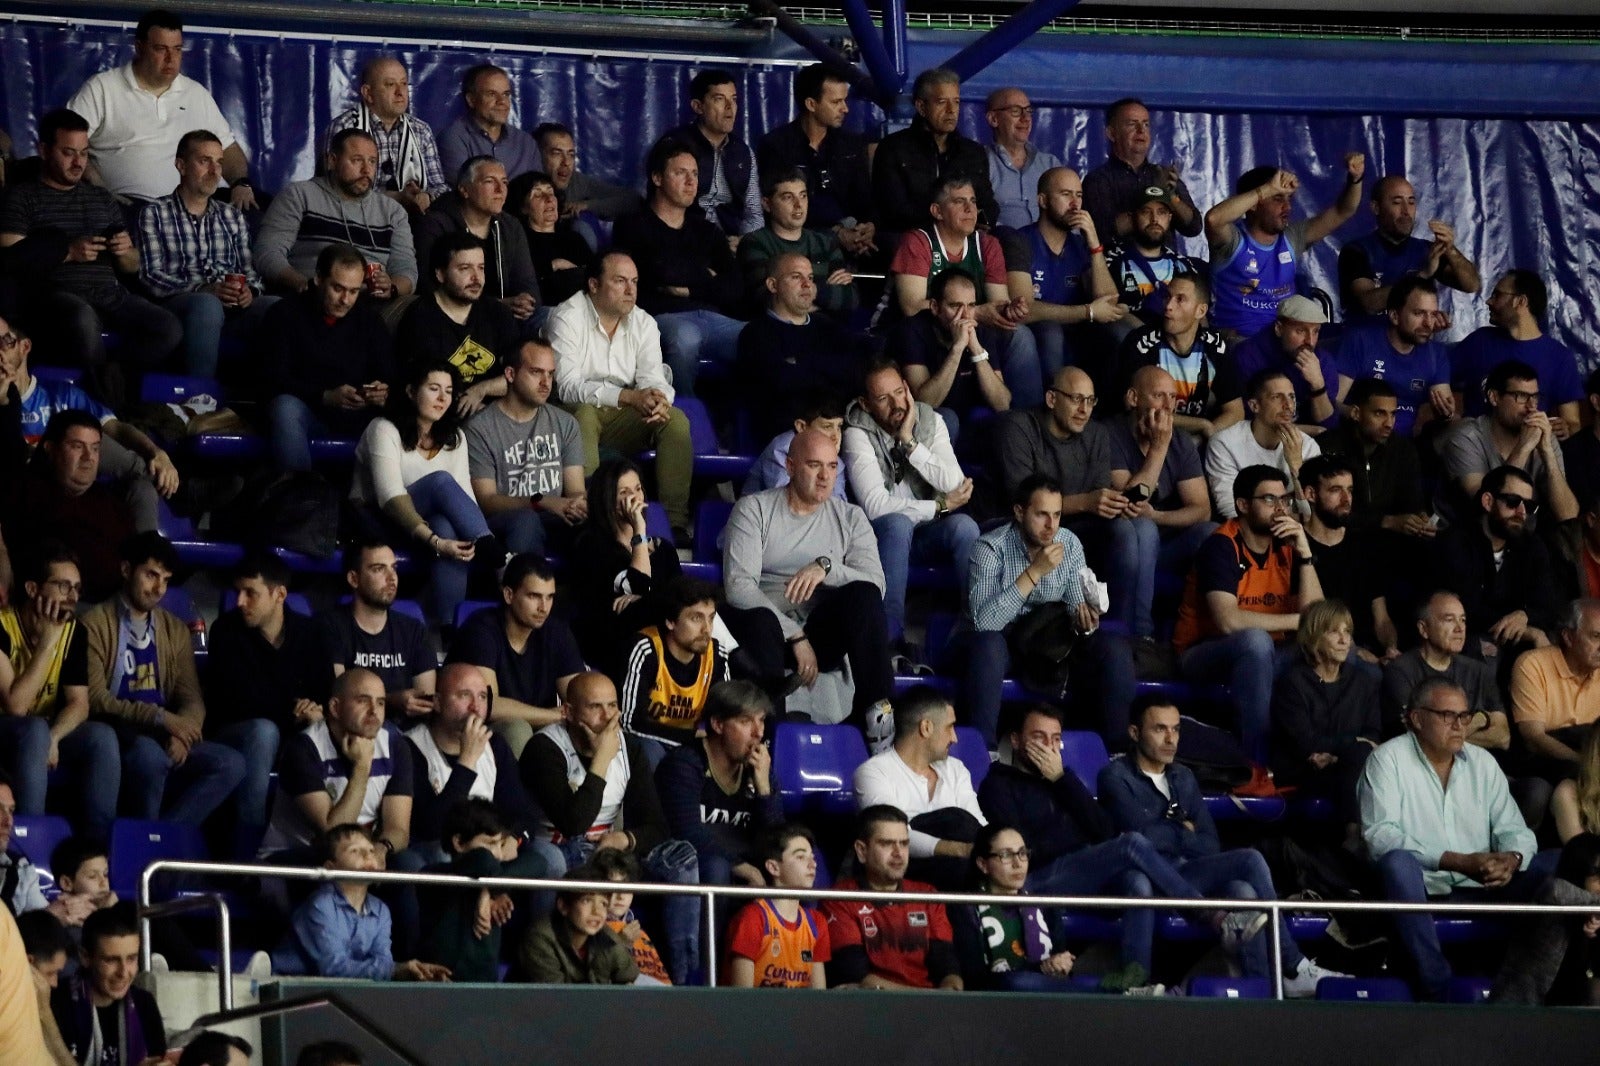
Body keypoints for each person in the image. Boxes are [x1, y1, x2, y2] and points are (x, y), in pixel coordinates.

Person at [1100, 696, 1346, 996]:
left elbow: (1209, 845)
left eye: (1176, 730)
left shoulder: (1183, 776)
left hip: (1188, 872)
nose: (1170, 739)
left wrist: (1165, 828)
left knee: (1244, 891)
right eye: (1159, 729)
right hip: (1145, 876)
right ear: (1135, 733)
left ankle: (1263, 991)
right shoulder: (1115, 776)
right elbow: (1140, 838)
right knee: (1250, 861)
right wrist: (1181, 827)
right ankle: (1292, 965)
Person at [976, 705, 1206, 990]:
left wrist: (1062, 781)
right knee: (1131, 844)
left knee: (1137, 882)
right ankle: (1203, 910)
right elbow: (1022, 851)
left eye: (1055, 738)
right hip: (1036, 880)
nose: (1049, 747)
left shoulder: (1063, 779)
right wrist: (1074, 844)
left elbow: (1104, 830)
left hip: (1080, 873)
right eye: (1039, 737)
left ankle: (1136, 982)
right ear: (1015, 740)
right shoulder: (997, 785)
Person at [1359, 677, 1553, 1001]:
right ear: (1417, 718)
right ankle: (1438, 985)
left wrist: (1511, 858)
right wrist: (1456, 860)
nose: (1460, 725)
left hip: (1487, 886)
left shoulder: (1483, 763)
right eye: (1448, 716)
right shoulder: (1386, 761)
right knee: (1396, 863)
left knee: (1559, 861)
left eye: (1465, 716)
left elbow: (1514, 831)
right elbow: (1380, 836)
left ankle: (1535, 986)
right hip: (1423, 889)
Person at [520, 672, 701, 983]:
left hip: (605, 851)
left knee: (682, 859)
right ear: (568, 712)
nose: (607, 717)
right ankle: (553, 966)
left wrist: (624, 839)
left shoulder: (629, 748)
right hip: (558, 849)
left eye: (612, 706)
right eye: (595, 707)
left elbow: (656, 826)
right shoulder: (544, 749)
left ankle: (684, 979)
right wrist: (602, 759)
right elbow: (573, 822)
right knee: (554, 859)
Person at [722, 429, 894, 748]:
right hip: (769, 631)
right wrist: (793, 634)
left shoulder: (851, 517)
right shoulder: (753, 509)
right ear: (789, 467)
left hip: (822, 632)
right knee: (758, 619)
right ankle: (772, 729)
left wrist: (826, 567)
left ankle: (876, 719)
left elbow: (876, 584)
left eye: (832, 466)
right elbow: (738, 587)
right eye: (814, 465)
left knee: (864, 596)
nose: (825, 476)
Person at [952, 474, 1135, 747]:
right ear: (1019, 511)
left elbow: (1076, 608)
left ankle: (1117, 750)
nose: (1051, 526)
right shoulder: (989, 547)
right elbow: (984, 623)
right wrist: (1034, 572)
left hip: (1047, 641)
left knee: (1114, 648)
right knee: (988, 646)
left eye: (1057, 515)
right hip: (1000, 642)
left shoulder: (1068, 543)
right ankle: (983, 749)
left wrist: (1085, 621)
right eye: (1041, 515)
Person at [0, 108, 182, 376]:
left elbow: (132, 266)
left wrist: (124, 252)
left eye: (84, 153)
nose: (78, 163)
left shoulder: (101, 198)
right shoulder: (23, 198)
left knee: (168, 328)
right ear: (44, 150)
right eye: (68, 153)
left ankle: (112, 379)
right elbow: (10, 262)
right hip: (56, 296)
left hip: (111, 294)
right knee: (82, 318)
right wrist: (68, 253)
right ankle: (103, 398)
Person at [83, 532, 247, 826]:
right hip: (119, 730)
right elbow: (96, 698)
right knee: (150, 757)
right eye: (151, 575)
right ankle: (146, 844)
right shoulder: (93, 624)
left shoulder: (174, 629)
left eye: (166, 580)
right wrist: (162, 718)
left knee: (231, 764)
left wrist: (184, 733)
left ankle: (162, 841)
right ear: (126, 570)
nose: (159, 588)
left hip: (163, 732)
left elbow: (192, 698)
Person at [1172, 465, 1325, 760]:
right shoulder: (1220, 545)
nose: (1280, 509)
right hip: (1203, 652)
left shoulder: (1287, 545)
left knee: (1340, 646)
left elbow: (1319, 620)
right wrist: (1298, 622)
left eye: (1284, 501)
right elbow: (1228, 621)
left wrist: (1305, 553)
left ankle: (1318, 753)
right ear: (1243, 505)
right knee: (1255, 642)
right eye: (1269, 500)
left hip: (1268, 651)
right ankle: (1255, 763)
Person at [842, 358, 980, 662]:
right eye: (883, 398)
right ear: (866, 404)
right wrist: (939, 505)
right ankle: (890, 634)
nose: (897, 403)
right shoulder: (857, 432)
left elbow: (955, 482)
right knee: (897, 524)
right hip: (881, 538)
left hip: (926, 533)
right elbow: (876, 507)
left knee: (965, 527)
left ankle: (975, 624)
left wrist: (910, 442)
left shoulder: (929, 420)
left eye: (900, 391)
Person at [547, 252, 693, 532]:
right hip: (569, 412)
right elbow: (567, 387)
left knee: (674, 420)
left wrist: (659, 399)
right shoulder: (566, 317)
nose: (630, 290)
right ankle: (590, 516)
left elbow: (654, 376)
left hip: (621, 412)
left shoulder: (643, 322)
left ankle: (673, 524)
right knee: (586, 414)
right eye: (620, 281)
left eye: (635, 282)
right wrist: (627, 397)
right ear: (593, 284)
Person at [0, 310, 178, 530]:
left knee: (141, 485)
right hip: (27, 494)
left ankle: (145, 558)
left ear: (24, 347)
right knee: (71, 444)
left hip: (76, 488)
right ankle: (186, 494)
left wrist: (157, 453)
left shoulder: (63, 395)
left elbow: (117, 430)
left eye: (4, 343)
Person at [349, 360, 491, 624]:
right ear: (411, 392)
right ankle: (495, 553)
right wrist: (435, 542)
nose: (442, 398)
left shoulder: (455, 437)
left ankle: (448, 632)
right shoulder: (383, 428)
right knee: (440, 482)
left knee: (447, 526)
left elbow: (465, 497)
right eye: (434, 388)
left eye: (449, 391)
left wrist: (444, 539)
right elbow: (389, 497)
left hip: (429, 530)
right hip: (380, 523)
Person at [65, 10, 254, 208]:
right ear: (139, 47)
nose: (170, 58)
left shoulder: (196, 94)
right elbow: (67, 145)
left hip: (185, 210)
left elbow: (228, 148)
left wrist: (240, 183)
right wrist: (100, 190)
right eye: (161, 49)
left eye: (177, 49)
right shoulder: (102, 88)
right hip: (124, 208)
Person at [201, 553, 327, 844]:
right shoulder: (226, 630)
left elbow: (324, 691)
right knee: (263, 732)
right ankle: (249, 847)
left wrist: (313, 710)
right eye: (238, 592)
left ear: (279, 594)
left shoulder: (310, 633)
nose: (240, 602)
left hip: (294, 732)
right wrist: (294, 709)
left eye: (251, 594)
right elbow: (236, 701)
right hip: (234, 734)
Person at [258, 668, 423, 885]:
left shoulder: (395, 745)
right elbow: (332, 834)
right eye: (363, 701)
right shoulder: (304, 748)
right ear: (335, 707)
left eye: (381, 703)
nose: (374, 711)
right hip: (296, 856)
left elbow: (399, 829)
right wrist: (362, 767)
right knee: (340, 864)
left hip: (360, 853)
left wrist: (380, 850)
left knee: (408, 864)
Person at [0, 546, 120, 837]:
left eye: (77, 588)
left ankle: (95, 851)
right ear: (32, 588)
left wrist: (55, 737)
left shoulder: (74, 632)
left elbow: (79, 704)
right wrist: (46, 645)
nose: (73, 597)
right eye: (63, 586)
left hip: (41, 733)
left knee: (102, 738)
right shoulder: (3, 625)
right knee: (34, 731)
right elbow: (15, 705)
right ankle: (30, 842)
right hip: (7, 731)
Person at [135, 129, 276, 376]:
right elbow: (150, 277)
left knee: (276, 307)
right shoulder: (154, 213)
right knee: (206, 305)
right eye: (204, 161)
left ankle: (273, 401)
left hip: (231, 308)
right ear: (181, 165)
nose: (215, 171)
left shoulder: (232, 216)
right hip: (180, 306)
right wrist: (203, 289)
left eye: (219, 163)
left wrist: (250, 292)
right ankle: (201, 401)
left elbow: (249, 272)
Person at [611, 138, 745, 397]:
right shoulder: (633, 225)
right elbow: (656, 273)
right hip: (661, 317)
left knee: (760, 335)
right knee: (685, 339)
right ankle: (684, 421)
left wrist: (689, 288)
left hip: (711, 318)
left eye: (694, 173)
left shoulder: (706, 230)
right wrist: (705, 276)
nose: (691, 181)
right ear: (658, 178)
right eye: (680, 173)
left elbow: (736, 286)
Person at [254, 129, 418, 324]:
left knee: (424, 311)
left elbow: (406, 269)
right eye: (357, 160)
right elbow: (267, 253)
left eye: (372, 162)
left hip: (372, 303)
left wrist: (392, 287)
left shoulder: (392, 211)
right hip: (312, 299)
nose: (367, 170)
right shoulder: (299, 195)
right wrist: (304, 284)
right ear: (332, 160)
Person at [259, 242, 394, 472]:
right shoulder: (284, 314)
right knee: (285, 409)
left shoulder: (369, 320)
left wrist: (383, 392)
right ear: (319, 279)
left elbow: (390, 375)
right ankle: (300, 499)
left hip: (357, 416)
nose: (346, 300)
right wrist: (325, 396)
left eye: (354, 291)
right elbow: (270, 380)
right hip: (307, 413)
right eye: (338, 289)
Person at [403, 661, 555, 865]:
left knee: (551, 858)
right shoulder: (411, 747)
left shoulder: (495, 745)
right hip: (443, 848)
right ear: (437, 702)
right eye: (464, 695)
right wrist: (466, 762)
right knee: (442, 853)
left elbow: (522, 810)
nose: (475, 706)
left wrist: (514, 838)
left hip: (491, 842)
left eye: (482, 697)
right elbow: (429, 827)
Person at [1108, 366, 1217, 650]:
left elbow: (1202, 509)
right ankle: (1140, 636)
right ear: (1133, 398)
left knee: (1212, 532)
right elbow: (1129, 504)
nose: (1169, 406)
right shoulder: (1110, 433)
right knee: (1143, 529)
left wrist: (1158, 516)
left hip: (1166, 545)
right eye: (1159, 396)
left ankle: (1207, 634)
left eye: (1173, 397)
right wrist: (1158, 449)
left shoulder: (1179, 441)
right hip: (1121, 541)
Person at [1204, 154, 1366, 339]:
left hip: (1283, 341)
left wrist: (1356, 179)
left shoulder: (1292, 237)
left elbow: (1342, 211)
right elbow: (1213, 219)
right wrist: (1267, 188)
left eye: (1289, 199)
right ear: (1254, 204)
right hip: (1238, 342)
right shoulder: (1232, 239)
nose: (1287, 207)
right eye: (1277, 198)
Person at [271, 823, 449, 982]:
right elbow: (333, 968)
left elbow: (383, 961)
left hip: (340, 991)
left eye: (371, 850)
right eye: (354, 850)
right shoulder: (321, 905)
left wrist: (403, 970)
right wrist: (395, 970)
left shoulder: (380, 911)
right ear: (331, 868)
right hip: (289, 986)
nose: (367, 855)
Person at [563, 457, 691, 677]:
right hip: (614, 644)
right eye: (623, 492)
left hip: (665, 641)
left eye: (638, 488)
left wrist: (646, 599)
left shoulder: (664, 550)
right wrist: (639, 531)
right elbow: (639, 586)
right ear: (606, 498)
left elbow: (682, 599)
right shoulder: (591, 546)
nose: (634, 497)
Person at [1428, 465, 1562, 672]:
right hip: (1467, 639)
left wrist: (1525, 616)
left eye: (1529, 505)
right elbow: (1467, 608)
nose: (1521, 512)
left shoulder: (1532, 545)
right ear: (1488, 501)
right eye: (1512, 502)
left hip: (1514, 640)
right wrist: (1527, 629)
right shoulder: (1455, 542)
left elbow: (1550, 604)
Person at [447, 553, 579, 758]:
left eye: (550, 597)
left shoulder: (556, 631)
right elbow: (489, 706)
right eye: (534, 596)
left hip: (541, 728)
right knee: (518, 730)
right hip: (477, 732)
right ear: (509, 595)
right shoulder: (481, 630)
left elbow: (578, 695)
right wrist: (554, 715)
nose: (544, 607)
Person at [853, 688, 985, 890]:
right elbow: (891, 837)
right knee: (958, 824)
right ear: (926, 727)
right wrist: (960, 849)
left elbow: (977, 826)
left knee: (966, 828)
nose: (955, 738)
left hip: (957, 873)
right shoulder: (873, 772)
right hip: (902, 873)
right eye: (949, 727)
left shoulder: (956, 769)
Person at [656, 679, 782, 889]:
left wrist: (764, 792)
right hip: (692, 865)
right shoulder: (685, 764)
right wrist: (743, 867)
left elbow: (777, 842)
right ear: (717, 724)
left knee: (795, 869)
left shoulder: (760, 768)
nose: (758, 732)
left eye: (761, 721)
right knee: (717, 868)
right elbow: (686, 833)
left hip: (742, 859)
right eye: (745, 721)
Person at [820, 805, 963, 990]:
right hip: (872, 1009)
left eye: (904, 843)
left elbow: (946, 964)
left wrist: (950, 991)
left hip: (931, 1007)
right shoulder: (840, 899)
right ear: (862, 851)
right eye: (886, 843)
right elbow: (855, 976)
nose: (898, 853)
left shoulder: (927, 895)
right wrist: (929, 999)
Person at [466, 339, 586, 558]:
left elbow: (576, 489)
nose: (546, 383)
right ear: (510, 375)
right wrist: (542, 502)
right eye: (536, 372)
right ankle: (525, 590)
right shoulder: (479, 428)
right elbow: (487, 501)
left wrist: (578, 504)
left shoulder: (565, 423)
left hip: (557, 516)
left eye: (550, 374)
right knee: (526, 519)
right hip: (508, 520)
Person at [0, 410, 134, 602]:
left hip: (111, 614)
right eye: (77, 446)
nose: (89, 457)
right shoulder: (22, 491)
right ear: (51, 449)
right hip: (44, 608)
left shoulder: (113, 505)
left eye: (95, 448)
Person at [733, 252, 868, 443]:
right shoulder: (756, 333)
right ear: (773, 285)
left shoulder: (830, 329)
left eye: (811, 278)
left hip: (839, 430)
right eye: (796, 277)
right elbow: (778, 388)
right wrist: (827, 369)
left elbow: (855, 376)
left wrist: (800, 363)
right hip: (787, 436)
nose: (807, 284)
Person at [1271, 600, 1382, 829]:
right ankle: (1354, 833)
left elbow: (1373, 735)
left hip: (1348, 765)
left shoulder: (1363, 682)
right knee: (1359, 754)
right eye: (1334, 632)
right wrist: (1350, 745)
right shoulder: (1293, 683)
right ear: (1314, 637)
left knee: (1366, 756)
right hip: (1307, 771)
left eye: (1347, 632)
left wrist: (1337, 755)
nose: (1344, 641)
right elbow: (1305, 743)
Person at [417, 798, 550, 983]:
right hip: (439, 984)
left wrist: (487, 892)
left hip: (485, 988)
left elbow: (539, 862)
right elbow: (482, 860)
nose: (497, 854)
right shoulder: (434, 875)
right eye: (489, 844)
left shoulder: (499, 878)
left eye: (500, 844)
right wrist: (491, 887)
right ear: (459, 842)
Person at [1016, 167, 1123, 383]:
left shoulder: (1080, 246)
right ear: (1043, 201)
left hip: (1079, 334)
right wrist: (1088, 312)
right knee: (1051, 332)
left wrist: (1094, 243)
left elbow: (1109, 301)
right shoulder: (1021, 241)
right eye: (1066, 195)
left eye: (1079, 195)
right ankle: (1053, 408)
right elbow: (1024, 309)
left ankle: (1109, 410)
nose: (1075, 204)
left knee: (1121, 330)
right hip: (1039, 335)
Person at [754, 63, 875, 254]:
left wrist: (868, 227)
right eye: (836, 102)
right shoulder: (776, 146)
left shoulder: (852, 144)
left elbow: (864, 199)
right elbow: (779, 207)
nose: (845, 109)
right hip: (799, 238)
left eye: (845, 100)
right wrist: (835, 233)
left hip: (852, 234)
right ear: (811, 104)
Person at [1437, 359, 1578, 523]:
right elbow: (1485, 508)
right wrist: (1523, 447)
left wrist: (1548, 453)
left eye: (1535, 397)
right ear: (1494, 397)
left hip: (1520, 536)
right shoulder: (1466, 438)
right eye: (1521, 396)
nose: (1532, 407)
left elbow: (1568, 516)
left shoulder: (1545, 438)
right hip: (1465, 535)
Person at [395, 232, 519, 417]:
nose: (477, 278)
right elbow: (424, 389)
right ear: (440, 274)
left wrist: (481, 389)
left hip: (494, 415)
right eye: (465, 269)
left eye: (481, 268)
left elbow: (521, 375)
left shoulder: (497, 313)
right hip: (442, 417)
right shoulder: (421, 318)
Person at [412, 157, 540, 331]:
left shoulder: (511, 226)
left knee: (548, 318)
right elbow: (428, 287)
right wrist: (496, 306)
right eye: (490, 181)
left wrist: (526, 301)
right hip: (453, 319)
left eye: (504, 182)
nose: (500, 189)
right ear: (464, 190)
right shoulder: (435, 224)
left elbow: (528, 283)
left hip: (507, 318)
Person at [950, 823, 1080, 992]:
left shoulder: (1044, 904)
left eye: (1022, 853)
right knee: (1016, 983)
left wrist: (1060, 965)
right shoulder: (965, 909)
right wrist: (1041, 968)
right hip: (995, 1000)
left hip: (1049, 995)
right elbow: (975, 979)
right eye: (1006, 855)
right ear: (983, 864)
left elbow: (1063, 965)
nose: (1018, 863)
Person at [896, 268, 1039, 419]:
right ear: (935, 307)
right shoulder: (912, 330)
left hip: (971, 413)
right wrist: (957, 349)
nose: (964, 315)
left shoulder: (980, 329)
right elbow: (925, 404)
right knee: (949, 418)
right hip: (935, 418)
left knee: (1005, 421)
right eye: (955, 306)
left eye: (971, 305)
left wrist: (976, 349)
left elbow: (1002, 404)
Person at [1337, 174, 1481, 322]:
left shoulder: (1426, 250)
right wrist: (1422, 276)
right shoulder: (1356, 251)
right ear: (1376, 207)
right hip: (1366, 342)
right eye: (1397, 202)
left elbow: (1472, 285)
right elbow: (1369, 303)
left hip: (1412, 344)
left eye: (1411, 202)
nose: (1406, 211)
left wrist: (1450, 249)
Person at [872, 68, 996, 237]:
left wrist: (981, 219)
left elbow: (988, 204)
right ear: (921, 107)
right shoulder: (893, 148)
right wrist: (946, 219)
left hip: (964, 236)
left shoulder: (973, 152)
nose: (951, 110)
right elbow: (893, 210)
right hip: (913, 236)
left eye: (956, 102)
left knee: (1006, 239)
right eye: (941, 102)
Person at [620, 578, 733, 765]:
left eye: (711, 618)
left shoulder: (716, 655)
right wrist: (692, 736)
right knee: (648, 751)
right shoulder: (646, 650)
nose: (707, 629)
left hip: (689, 746)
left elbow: (726, 715)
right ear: (670, 622)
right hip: (649, 742)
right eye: (696, 618)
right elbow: (629, 722)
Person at [1116, 273, 1241, 440]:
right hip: (1145, 434)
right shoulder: (1141, 343)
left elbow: (1236, 411)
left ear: (1201, 310)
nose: (1168, 305)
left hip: (1195, 440)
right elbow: (1137, 408)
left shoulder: (1215, 346)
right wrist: (1200, 425)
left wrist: (1206, 435)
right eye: (1167, 296)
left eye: (1180, 299)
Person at [317, 540, 436, 715]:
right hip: (353, 731)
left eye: (394, 568)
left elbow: (425, 702)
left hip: (406, 735)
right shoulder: (330, 626)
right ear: (353, 579)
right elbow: (341, 699)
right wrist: (393, 701)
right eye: (379, 569)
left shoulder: (414, 630)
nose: (392, 577)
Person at [1299, 454, 1400, 660]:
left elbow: (1381, 618)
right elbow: (1312, 623)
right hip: (1322, 651)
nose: (1347, 500)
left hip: (1368, 651)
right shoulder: (1297, 546)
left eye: (1350, 490)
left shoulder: (1365, 544)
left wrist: (1391, 647)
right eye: (1336, 490)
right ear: (1310, 493)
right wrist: (1356, 652)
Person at [1382, 591, 1512, 748]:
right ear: (1424, 629)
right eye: (1449, 620)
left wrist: (1444, 736)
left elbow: (1503, 738)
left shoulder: (1479, 671)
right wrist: (1481, 720)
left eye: (1463, 620)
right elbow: (1419, 737)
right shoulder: (1400, 671)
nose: (1459, 628)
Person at [325, 56, 449, 217]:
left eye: (404, 84)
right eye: (391, 85)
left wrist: (426, 196)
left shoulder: (420, 130)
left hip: (412, 219)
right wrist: (394, 198)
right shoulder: (344, 127)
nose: (400, 92)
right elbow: (332, 189)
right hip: (356, 216)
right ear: (368, 93)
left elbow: (441, 187)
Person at [1333, 276, 1454, 439]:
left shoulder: (1436, 354)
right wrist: (1360, 417)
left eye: (1433, 315)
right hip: (1360, 438)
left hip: (1409, 445)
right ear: (1395, 316)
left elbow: (1445, 406)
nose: (1428, 323)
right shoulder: (1360, 341)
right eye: (1419, 313)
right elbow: (1332, 403)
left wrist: (1445, 414)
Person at [1490, 831, 1600, 1006]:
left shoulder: (1595, 919)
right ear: (1578, 872)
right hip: (1521, 1015)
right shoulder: (1551, 900)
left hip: (1572, 1019)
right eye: (1597, 877)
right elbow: (1556, 890)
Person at [50, 905, 166, 1065]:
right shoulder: (55, 1003)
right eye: (111, 960)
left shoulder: (144, 1003)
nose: (124, 972)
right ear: (85, 957)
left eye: (131, 958)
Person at [1315, 378, 1431, 537]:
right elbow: (1325, 512)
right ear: (1356, 413)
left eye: (1393, 414)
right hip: (1341, 540)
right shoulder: (1329, 448)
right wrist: (1385, 521)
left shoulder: (1403, 449)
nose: (1389, 423)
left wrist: (1420, 518)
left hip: (1389, 543)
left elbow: (1412, 502)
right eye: (1379, 413)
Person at [1509, 599, 1600, 801]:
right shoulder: (1533, 664)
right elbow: (1533, 738)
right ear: (1568, 637)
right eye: (1596, 637)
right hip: (1547, 757)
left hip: (1590, 751)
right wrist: (1585, 764)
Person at [1204, 369, 1322, 519]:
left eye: (1291, 397)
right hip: (1249, 534)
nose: (1288, 405)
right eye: (1277, 397)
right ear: (1254, 406)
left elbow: (1312, 517)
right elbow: (1230, 510)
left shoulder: (1308, 446)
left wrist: (1296, 467)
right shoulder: (1225, 443)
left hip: (1296, 533)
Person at [736, 168, 855, 316]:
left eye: (803, 196)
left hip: (824, 330)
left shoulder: (826, 242)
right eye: (788, 197)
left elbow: (850, 298)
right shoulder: (755, 243)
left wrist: (801, 294)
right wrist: (824, 292)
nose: (798, 204)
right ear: (767, 204)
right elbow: (768, 301)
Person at [1081, 98, 1202, 244]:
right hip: (1118, 265)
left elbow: (1194, 227)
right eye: (1132, 124)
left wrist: (1169, 195)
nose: (1141, 130)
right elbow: (1101, 232)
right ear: (1112, 133)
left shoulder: (1162, 175)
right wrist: (1154, 195)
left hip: (1166, 265)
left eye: (1146, 124)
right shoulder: (1098, 180)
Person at [725, 823, 830, 988]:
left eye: (812, 857)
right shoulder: (753, 918)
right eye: (800, 857)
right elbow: (741, 999)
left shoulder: (817, 922)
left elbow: (819, 998)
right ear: (773, 867)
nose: (813, 864)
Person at [666, 70, 762, 239]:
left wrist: (745, 244)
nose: (729, 107)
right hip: (689, 238)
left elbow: (753, 213)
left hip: (733, 241)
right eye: (719, 99)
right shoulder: (676, 145)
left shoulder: (742, 152)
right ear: (698, 106)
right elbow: (664, 207)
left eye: (733, 99)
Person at [1228, 295, 1341, 432]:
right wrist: (1302, 431)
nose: (1310, 341)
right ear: (1279, 329)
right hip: (1259, 439)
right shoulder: (1248, 355)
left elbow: (1328, 423)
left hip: (1310, 441)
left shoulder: (1321, 360)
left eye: (1315, 331)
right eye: (1300, 331)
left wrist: (1317, 385)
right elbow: (1245, 418)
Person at [1104, 184, 1205, 330]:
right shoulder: (1113, 261)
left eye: (1161, 212)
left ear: (1170, 218)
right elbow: (1108, 313)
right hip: (1132, 345)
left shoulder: (1182, 266)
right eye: (1146, 212)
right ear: (1133, 217)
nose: (1154, 219)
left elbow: (1199, 316)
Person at [519, 864, 640, 984]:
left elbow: (629, 976)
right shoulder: (540, 938)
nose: (597, 911)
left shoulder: (606, 936)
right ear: (563, 906)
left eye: (603, 903)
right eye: (586, 901)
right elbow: (557, 998)